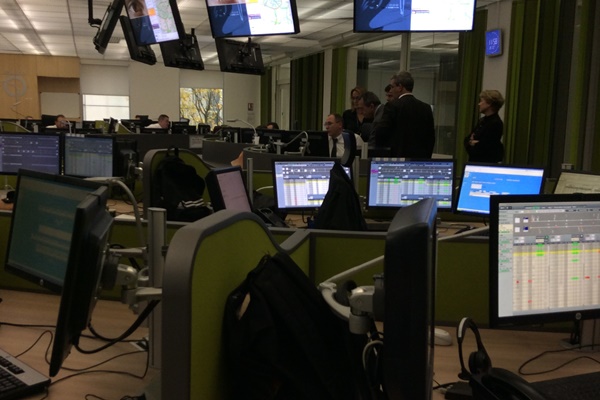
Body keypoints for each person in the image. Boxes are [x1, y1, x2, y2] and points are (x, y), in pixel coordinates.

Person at [375, 71, 435, 158]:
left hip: (397, 159)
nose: (391, 90)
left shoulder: (392, 106)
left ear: (400, 87)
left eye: (392, 87)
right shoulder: (426, 108)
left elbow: (381, 133)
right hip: (419, 160)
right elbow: (430, 138)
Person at [464, 90, 505, 163]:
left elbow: (483, 148)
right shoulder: (482, 120)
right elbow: (466, 140)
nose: (479, 104)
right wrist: (471, 142)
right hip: (475, 162)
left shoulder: (496, 124)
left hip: (486, 163)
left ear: (489, 104)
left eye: (481, 101)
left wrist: (473, 143)